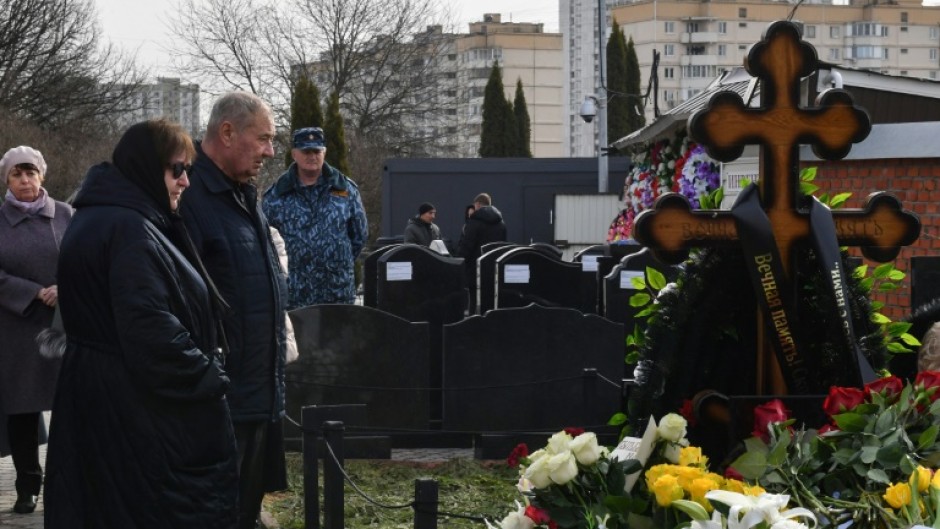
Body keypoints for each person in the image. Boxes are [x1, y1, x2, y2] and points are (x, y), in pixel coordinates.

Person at [43, 119, 237, 528]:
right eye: (176, 169)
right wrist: (208, 375)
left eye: (188, 170)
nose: (185, 181)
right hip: (134, 411)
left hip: (99, 398)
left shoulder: (101, 216)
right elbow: (150, 330)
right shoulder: (130, 227)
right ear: (147, 169)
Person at [180, 92, 288, 529]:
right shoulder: (191, 198)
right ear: (227, 132)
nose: (270, 151)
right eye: (262, 138)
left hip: (256, 395)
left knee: (245, 512)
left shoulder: (242, 195)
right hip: (222, 400)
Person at [0, 146, 72, 514]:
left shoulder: (66, 214)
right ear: (7, 179)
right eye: (17, 174)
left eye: (30, 173)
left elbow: (86, 258)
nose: (25, 180)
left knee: (70, 406)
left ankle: (69, 481)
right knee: (22, 410)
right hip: (16, 326)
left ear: (42, 175)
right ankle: (28, 484)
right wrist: (30, 292)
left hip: (64, 324)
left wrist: (65, 286)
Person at [263, 126, 368, 309]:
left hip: (337, 293)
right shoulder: (276, 195)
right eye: (306, 151)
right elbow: (267, 243)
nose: (312, 156)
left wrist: (335, 261)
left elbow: (359, 235)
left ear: (324, 153)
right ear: (294, 154)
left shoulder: (345, 189)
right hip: (295, 295)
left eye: (317, 151)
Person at [456, 193, 507, 312]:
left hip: (476, 269)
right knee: (491, 301)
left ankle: (475, 326)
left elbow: (466, 246)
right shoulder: (501, 223)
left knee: (474, 301)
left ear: (478, 204)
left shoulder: (474, 222)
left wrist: (458, 261)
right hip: (494, 268)